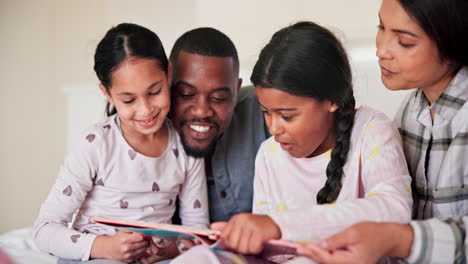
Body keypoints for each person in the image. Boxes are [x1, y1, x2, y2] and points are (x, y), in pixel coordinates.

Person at [171, 21, 412, 263]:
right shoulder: (269, 154)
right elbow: (269, 254)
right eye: (266, 112)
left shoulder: (371, 130)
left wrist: (279, 225)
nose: (273, 129)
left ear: (331, 99)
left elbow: (395, 210)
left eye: (287, 116)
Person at [295, 0, 468, 263]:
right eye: (381, 27)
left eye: (405, 42)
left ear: (453, 42)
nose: (381, 50)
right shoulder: (412, 109)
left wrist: (396, 240)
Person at [32, 23, 209, 263]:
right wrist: (104, 247)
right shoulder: (96, 144)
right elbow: (43, 230)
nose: (145, 110)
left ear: (168, 73)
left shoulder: (186, 144)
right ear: (107, 93)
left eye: (155, 91)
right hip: (95, 257)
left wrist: (175, 250)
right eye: (128, 100)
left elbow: (196, 231)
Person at [168, 27, 270, 222]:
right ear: (166, 84)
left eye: (218, 98)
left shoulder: (267, 111)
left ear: (236, 90)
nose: (201, 111)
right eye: (187, 94)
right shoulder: (141, 137)